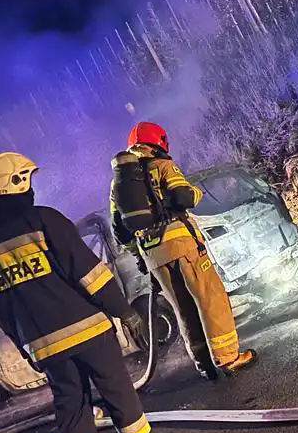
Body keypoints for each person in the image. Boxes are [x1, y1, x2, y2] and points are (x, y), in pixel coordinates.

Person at [0, 151, 157, 433]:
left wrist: (25, 348)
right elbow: (88, 273)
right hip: (88, 329)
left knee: (71, 405)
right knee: (117, 389)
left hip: (46, 346)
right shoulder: (44, 220)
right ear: (18, 183)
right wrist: (124, 311)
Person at [110, 121, 257, 379]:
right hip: (182, 246)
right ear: (158, 142)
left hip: (153, 256)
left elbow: (120, 232)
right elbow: (183, 197)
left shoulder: (118, 185)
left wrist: (141, 257)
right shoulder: (163, 166)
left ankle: (203, 364)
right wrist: (196, 192)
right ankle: (228, 357)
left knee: (182, 309)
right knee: (210, 299)